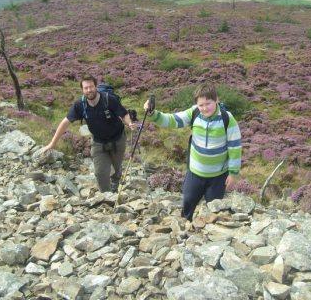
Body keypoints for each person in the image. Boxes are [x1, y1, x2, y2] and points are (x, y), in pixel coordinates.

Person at [144, 84, 242, 221]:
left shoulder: (227, 118)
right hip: (195, 171)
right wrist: (153, 114)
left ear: (217, 100)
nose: (205, 108)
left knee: (214, 209)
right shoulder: (194, 113)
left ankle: (210, 235)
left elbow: (235, 147)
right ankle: (184, 226)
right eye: (201, 105)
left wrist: (233, 173)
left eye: (208, 104)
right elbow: (173, 120)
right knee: (188, 201)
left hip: (218, 176)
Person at [43, 74, 135, 192]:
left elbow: (124, 114)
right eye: (86, 88)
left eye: (91, 87)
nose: (89, 90)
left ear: (95, 86)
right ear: (82, 90)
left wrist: (129, 123)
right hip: (98, 142)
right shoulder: (80, 105)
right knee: (100, 173)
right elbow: (65, 123)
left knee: (117, 168)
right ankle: (107, 197)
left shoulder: (108, 99)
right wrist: (52, 143)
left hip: (118, 139)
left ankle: (115, 182)